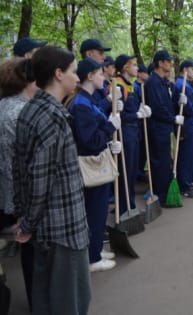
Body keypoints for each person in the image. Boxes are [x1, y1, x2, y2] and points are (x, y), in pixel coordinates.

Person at [13, 46, 91, 315]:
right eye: (73, 72)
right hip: (62, 230)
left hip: (49, 230)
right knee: (69, 301)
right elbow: (38, 179)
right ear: (58, 74)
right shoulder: (52, 117)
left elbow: (23, 171)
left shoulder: (32, 110)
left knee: (46, 298)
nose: (77, 78)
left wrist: (28, 220)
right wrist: (29, 223)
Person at [67, 57, 122, 271]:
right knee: (95, 211)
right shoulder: (81, 104)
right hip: (90, 165)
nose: (104, 78)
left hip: (96, 161)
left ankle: (96, 249)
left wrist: (109, 140)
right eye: (100, 74)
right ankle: (92, 258)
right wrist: (109, 129)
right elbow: (89, 141)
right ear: (90, 76)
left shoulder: (86, 100)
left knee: (97, 209)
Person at [0, 57, 38, 312]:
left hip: (9, 192)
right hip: (22, 193)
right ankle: (39, 300)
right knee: (33, 250)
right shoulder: (20, 112)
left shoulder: (4, 106)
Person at [113, 54, 151, 214]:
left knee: (132, 171)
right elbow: (117, 114)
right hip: (125, 132)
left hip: (134, 131)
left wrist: (140, 111)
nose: (137, 68)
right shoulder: (118, 85)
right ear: (125, 67)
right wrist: (136, 115)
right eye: (134, 65)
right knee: (126, 171)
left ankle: (131, 205)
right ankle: (124, 208)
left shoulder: (132, 86)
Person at [144, 50, 182, 205]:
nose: (171, 64)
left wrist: (178, 102)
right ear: (160, 63)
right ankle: (159, 193)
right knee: (159, 162)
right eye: (168, 61)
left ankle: (164, 191)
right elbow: (158, 107)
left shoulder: (162, 81)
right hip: (157, 128)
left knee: (165, 161)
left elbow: (166, 103)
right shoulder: (153, 82)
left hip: (164, 127)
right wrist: (172, 118)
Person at [173, 59, 193, 198]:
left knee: (191, 155)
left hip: (192, 124)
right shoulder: (181, 84)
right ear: (185, 70)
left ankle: (189, 182)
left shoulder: (187, 84)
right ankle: (185, 185)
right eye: (192, 69)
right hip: (187, 125)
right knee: (186, 155)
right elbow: (187, 108)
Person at [134, 63, 150, 182]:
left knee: (144, 149)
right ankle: (137, 172)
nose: (147, 75)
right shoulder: (135, 87)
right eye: (145, 72)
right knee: (138, 150)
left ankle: (140, 170)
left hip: (145, 121)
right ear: (139, 74)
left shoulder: (144, 86)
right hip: (138, 123)